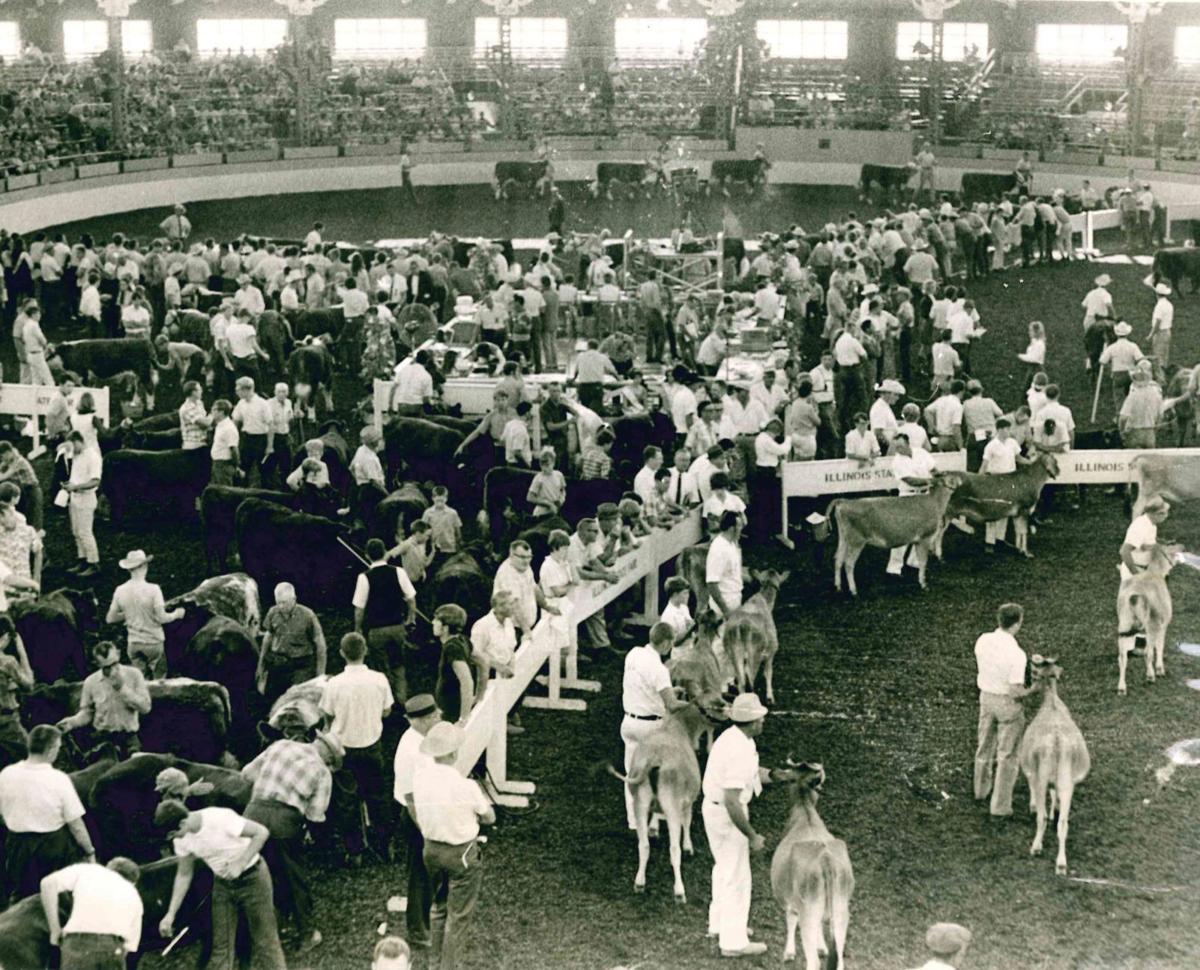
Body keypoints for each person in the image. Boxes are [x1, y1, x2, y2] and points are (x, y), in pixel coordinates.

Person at [155, 800, 287, 970]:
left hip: (253, 880)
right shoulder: (182, 839)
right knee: (221, 948)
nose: (174, 839)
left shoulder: (220, 818)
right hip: (223, 886)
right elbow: (184, 874)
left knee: (265, 942)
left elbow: (261, 832)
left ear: (182, 823)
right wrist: (170, 914)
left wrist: (241, 862)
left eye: (173, 834)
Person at [240, 732, 339, 953]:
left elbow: (246, 773)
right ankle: (306, 934)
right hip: (284, 821)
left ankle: (268, 928)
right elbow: (315, 813)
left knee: (257, 873)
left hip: (253, 814)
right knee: (294, 877)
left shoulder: (280, 745)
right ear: (329, 758)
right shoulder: (322, 771)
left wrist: (271, 786)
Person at [411, 722, 495, 970]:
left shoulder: (420, 779)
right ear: (453, 753)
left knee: (439, 908)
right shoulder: (465, 786)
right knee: (458, 917)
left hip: (431, 850)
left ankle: (434, 964)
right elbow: (489, 816)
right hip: (461, 854)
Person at [702, 693, 777, 959]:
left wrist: (780, 776)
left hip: (714, 810)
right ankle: (733, 942)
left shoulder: (736, 738)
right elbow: (732, 800)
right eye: (761, 718)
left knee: (724, 868)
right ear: (753, 721)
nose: (763, 722)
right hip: (726, 815)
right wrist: (752, 835)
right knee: (737, 876)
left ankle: (720, 924)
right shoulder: (738, 747)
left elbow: (752, 775)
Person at [0, 725, 95, 904]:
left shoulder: (6, 774)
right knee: (59, 898)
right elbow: (76, 824)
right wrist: (89, 850)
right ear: (51, 749)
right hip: (52, 848)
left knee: (24, 897)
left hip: (17, 846)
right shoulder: (57, 778)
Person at [321, 632, 395, 861]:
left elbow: (327, 713)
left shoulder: (334, 683)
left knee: (347, 800)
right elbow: (387, 710)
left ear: (342, 653)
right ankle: (384, 845)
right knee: (378, 795)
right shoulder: (379, 679)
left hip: (343, 748)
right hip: (372, 744)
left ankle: (355, 851)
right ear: (366, 651)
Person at [620, 622, 690, 829]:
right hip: (651, 728)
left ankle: (634, 822)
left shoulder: (633, 654)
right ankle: (656, 821)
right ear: (667, 643)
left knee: (631, 774)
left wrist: (669, 690)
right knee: (659, 775)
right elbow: (672, 705)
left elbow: (644, 686)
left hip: (629, 722)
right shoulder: (659, 669)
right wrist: (693, 705)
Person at [973, 603, 1031, 819]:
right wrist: (1032, 690)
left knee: (984, 745)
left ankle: (980, 790)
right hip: (1007, 704)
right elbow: (1016, 690)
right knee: (1007, 754)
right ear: (1017, 624)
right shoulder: (1017, 653)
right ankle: (1000, 806)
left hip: (986, 698)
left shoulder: (983, 640)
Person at [393, 694, 441, 951]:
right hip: (416, 816)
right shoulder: (411, 749)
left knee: (428, 872)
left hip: (428, 810)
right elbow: (410, 798)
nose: (439, 718)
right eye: (435, 716)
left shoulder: (422, 738)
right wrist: (426, 830)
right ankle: (417, 931)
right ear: (422, 720)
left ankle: (425, 921)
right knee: (420, 874)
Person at [39, 857, 143, 970]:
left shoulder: (89, 870)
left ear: (108, 867)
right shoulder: (134, 896)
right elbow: (130, 947)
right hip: (114, 949)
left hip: (80, 944)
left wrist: (55, 930)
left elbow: (47, 883)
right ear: (133, 882)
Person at [57, 641, 151, 760]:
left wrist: (122, 688)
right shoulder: (91, 682)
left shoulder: (134, 675)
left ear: (118, 654)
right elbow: (87, 713)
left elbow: (146, 708)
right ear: (97, 664)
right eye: (107, 667)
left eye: (115, 664)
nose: (113, 670)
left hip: (129, 737)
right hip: (103, 737)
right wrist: (71, 723)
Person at [353, 537, 418, 701]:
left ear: (367, 555)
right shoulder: (398, 571)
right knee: (399, 665)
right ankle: (402, 701)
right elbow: (411, 598)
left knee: (381, 668)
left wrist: (358, 629)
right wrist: (411, 618)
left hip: (376, 630)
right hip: (397, 627)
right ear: (384, 553)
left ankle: (386, 702)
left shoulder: (364, 577)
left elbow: (359, 609)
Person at [106, 549, 185, 679]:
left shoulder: (120, 590)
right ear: (144, 566)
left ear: (129, 569)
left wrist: (128, 613)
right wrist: (177, 614)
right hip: (154, 642)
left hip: (133, 643)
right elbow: (162, 618)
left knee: (140, 680)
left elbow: (110, 618)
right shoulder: (154, 589)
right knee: (159, 680)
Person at [257, 581, 327, 699]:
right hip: (279, 663)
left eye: (284, 603)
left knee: (296, 698)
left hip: (301, 664)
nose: (280, 606)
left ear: (294, 599)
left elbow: (320, 645)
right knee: (271, 701)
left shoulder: (308, 616)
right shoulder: (273, 612)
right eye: (278, 602)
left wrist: (320, 675)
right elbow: (267, 638)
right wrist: (261, 664)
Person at [63, 431, 101, 576]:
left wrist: (76, 487)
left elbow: (95, 481)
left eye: (72, 445)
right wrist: (69, 484)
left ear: (78, 441)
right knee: (76, 532)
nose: (72, 449)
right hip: (75, 498)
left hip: (86, 499)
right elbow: (77, 477)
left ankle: (94, 563)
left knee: (85, 532)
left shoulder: (92, 456)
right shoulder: (77, 456)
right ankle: (83, 560)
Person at [706, 510, 744, 619]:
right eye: (740, 526)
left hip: (735, 600)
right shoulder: (719, 549)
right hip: (723, 607)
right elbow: (711, 583)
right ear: (732, 528)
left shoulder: (731, 544)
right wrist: (726, 611)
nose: (741, 530)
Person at [1119, 367, 1164, 449]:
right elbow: (1161, 416)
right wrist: (1155, 429)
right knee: (1150, 459)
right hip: (1150, 432)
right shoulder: (1157, 395)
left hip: (1134, 432)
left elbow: (1123, 418)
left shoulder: (1132, 396)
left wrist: (1122, 431)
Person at [526, 446, 567, 518]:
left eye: (547, 464)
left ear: (553, 462)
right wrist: (547, 504)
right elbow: (530, 497)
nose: (544, 468)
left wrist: (561, 500)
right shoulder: (539, 478)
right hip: (542, 512)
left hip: (555, 510)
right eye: (542, 464)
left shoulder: (559, 475)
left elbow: (563, 490)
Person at [209, 399, 239, 485]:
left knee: (224, 491)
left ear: (221, 412)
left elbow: (234, 449)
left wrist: (235, 466)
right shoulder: (220, 425)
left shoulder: (229, 428)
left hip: (224, 465)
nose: (212, 412)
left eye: (214, 410)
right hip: (217, 464)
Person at [178, 380, 212, 451]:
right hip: (193, 445)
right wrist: (213, 415)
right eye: (199, 389)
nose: (202, 391)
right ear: (193, 392)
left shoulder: (199, 403)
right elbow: (205, 423)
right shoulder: (187, 408)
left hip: (202, 442)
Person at [1149, 282, 1174, 377]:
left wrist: (1151, 334)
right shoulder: (1169, 304)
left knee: (1158, 356)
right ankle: (1164, 375)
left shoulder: (1159, 306)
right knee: (1165, 356)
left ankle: (1160, 379)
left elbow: (1158, 322)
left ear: (1157, 294)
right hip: (1167, 331)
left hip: (1160, 332)